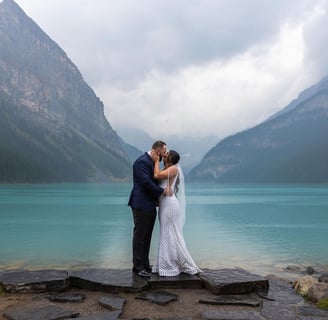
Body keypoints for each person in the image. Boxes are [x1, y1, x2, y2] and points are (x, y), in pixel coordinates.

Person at [151, 149, 202, 276]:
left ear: (171, 159)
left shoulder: (174, 169)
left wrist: (156, 161)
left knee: (171, 233)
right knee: (167, 233)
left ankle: (173, 264)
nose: (165, 155)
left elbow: (156, 175)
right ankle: (166, 263)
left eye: (167, 154)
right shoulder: (167, 168)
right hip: (164, 204)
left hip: (169, 205)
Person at [128, 140, 173, 278]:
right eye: (164, 152)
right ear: (157, 151)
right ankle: (138, 267)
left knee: (147, 236)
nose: (164, 155)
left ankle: (145, 264)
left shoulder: (152, 162)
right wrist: (161, 192)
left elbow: (153, 179)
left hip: (149, 204)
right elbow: (146, 182)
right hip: (140, 204)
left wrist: (156, 199)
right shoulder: (141, 162)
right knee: (140, 236)